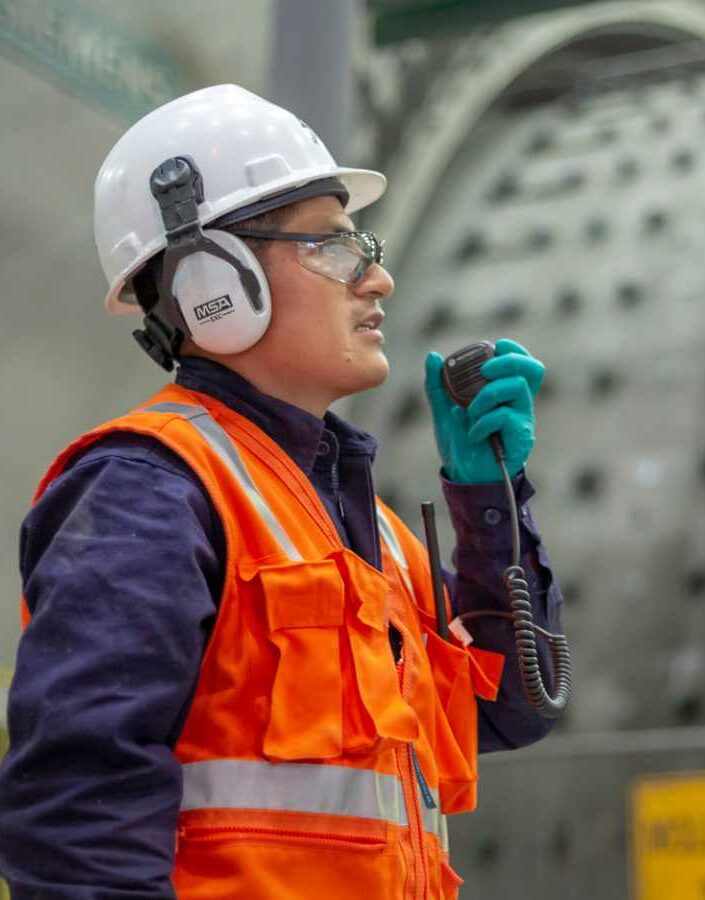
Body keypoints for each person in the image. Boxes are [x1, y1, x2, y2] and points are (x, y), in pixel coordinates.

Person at [0, 84, 564, 899]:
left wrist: (489, 505)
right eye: (334, 246)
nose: (380, 279)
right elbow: (76, 818)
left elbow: (511, 710)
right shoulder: (147, 491)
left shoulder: (359, 530)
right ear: (211, 283)